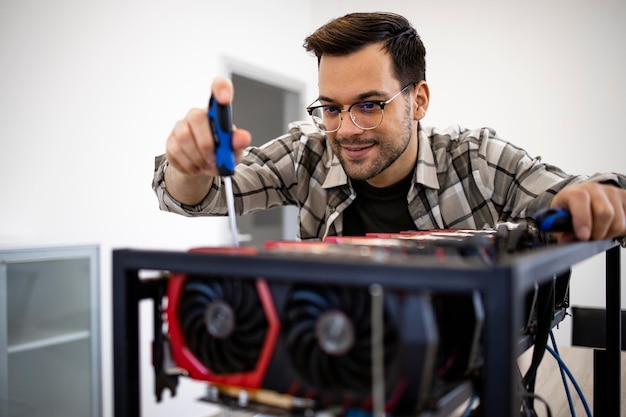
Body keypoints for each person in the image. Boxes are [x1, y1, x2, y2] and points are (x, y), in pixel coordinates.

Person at [153, 11, 626, 244]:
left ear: (418, 100)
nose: (347, 129)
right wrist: (188, 165)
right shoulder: (309, 152)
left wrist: (596, 197)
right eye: (332, 108)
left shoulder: (475, 160)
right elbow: (196, 195)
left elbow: (587, 193)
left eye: (371, 105)